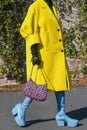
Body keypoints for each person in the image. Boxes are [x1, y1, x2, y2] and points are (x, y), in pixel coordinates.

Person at [11, 0, 79, 127]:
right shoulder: (36, 6)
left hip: (56, 53)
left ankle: (61, 113)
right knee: (37, 86)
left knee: (59, 84)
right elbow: (27, 29)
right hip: (43, 55)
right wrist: (34, 52)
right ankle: (22, 108)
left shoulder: (53, 7)